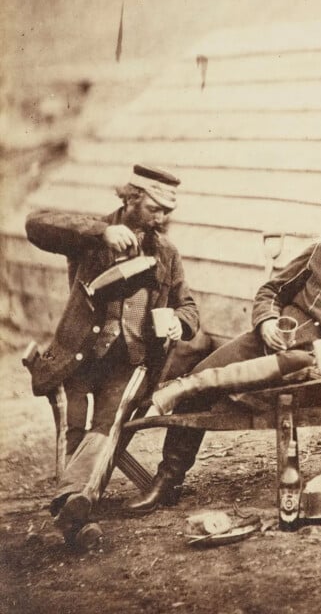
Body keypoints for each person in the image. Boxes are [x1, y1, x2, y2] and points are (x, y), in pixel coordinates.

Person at [127, 174, 321, 513]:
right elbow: (271, 290)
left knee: (236, 386)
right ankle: (168, 481)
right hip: (272, 341)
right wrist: (267, 320)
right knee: (200, 376)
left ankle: (171, 455)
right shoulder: (320, 253)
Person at [25, 165, 200, 548]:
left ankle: (74, 507)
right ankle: (77, 511)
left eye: (168, 211)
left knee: (109, 423)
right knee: (73, 428)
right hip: (79, 355)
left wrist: (177, 322)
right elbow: (35, 224)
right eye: (155, 208)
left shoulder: (166, 252)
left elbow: (189, 307)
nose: (162, 218)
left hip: (132, 361)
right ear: (132, 198)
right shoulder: (91, 235)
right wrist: (100, 232)